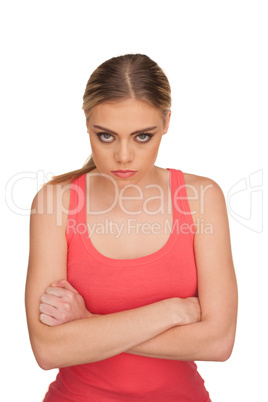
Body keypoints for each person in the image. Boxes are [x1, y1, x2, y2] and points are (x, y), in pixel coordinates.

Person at [25, 54, 238, 402]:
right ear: (87, 122)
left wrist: (89, 323)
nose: (123, 156)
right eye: (106, 136)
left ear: (166, 122)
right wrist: (172, 312)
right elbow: (48, 350)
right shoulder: (56, 203)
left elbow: (218, 342)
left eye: (142, 136)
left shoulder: (201, 198)